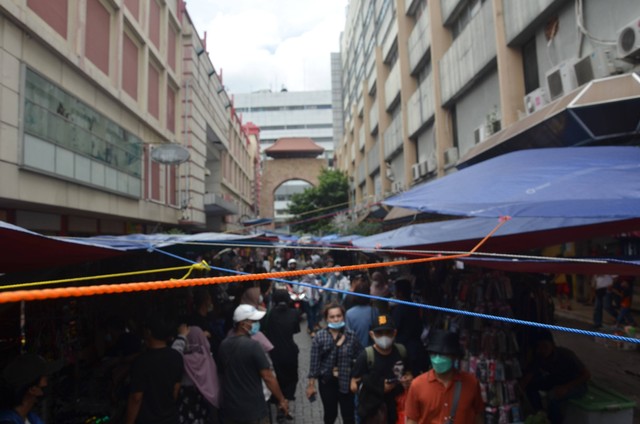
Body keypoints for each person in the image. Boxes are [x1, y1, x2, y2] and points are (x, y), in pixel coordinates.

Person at [218, 304, 288, 424]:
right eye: (253, 321)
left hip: (231, 408)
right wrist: (281, 399)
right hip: (253, 410)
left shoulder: (223, 345)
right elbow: (268, 377)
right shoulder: (254, 346)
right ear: (242, 324)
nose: (256, 324)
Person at [405, 330, 484, 424]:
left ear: (454, 356)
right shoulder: (417, 385)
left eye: (443, 354)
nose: (437, 359)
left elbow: (478, 417)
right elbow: (411, 420)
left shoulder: (471, 383)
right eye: (434, 354)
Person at [350, 314, 412, 424]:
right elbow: (354, 385)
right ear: (372, 335)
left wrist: (408, 378)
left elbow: (407, 371)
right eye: (379, 333)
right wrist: (378, 386)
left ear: (395, 333)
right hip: (372, 412)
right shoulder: (366, 356)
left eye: (388, 332)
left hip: (396, 409)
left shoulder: (401, 351)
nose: (384, 337)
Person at [307, 303, 362, 424]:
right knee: (330, 415)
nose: (336, 319)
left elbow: (360, 359)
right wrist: (311, 385)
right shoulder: (319, 337)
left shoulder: (351, 336)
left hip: (346, 382)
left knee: (348, 416)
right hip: (327, 383)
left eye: (338, 316)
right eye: (332, 317)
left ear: (343, 317)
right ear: (326, 318)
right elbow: (314, 363)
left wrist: (355, 378)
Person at [521, 330, 590, 424]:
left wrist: (566, 387)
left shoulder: (566, 355)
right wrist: (518, 391)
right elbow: (528, 377)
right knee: (531, 385)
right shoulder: (538, 356)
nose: (542, 350)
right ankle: (540, 412)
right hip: (556, 380)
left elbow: (586, 375)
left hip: (575, 384)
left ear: (552, 345)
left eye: (545, 346)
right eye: (539, 347)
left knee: (553, 397)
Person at [125, 316, 184, 424]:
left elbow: (136, 397)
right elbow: (175, 390)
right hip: (170, 418)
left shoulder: (142, 362)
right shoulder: (177, 357)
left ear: (148, 332)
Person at [264, 290, 301, 423]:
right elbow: (296, 330)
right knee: (291, 378)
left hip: (273, 352)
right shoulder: (294, 313)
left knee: (277, 378)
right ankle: (285, 402)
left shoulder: (269, 315)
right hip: (290, 352)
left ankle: (279, 403)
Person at [172, 325, 220, 424]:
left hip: (188, 403)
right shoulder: (207, 357)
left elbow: (173, 355)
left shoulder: (187, 360)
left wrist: (181, 337)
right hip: (204, 405)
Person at [0, 353, 62, 424]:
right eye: (45, 378)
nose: (47, 383)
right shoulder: (7, 421)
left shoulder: (31, 418)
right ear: (32, 389)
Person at [391, 279, 427, 376]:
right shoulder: (415, 307)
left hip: (405, 350)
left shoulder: (399, 310)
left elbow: (394, 329)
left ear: (400, 293)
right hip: (417, 348)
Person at [346, 278, 378, 348]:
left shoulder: (349, 313)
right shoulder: (375, 311)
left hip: (356, 350)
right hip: (373, 349)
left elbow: (348, 336)